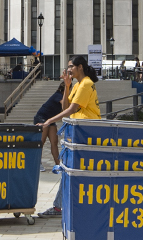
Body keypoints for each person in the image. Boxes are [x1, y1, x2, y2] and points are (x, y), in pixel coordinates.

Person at [35, 56, 101, 217]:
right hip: (78, 132)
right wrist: (67, 86)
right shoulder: (77, 85)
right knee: (72, 171)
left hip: (85, 133)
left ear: (80, 67)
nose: (68, 69)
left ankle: (60, 207)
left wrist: (49, 120)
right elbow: (64, 107)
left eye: (71, 66)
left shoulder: (86, 84)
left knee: (71, 170)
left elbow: (71, 110)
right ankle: (64, 207)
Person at [33, 79, 69, 166]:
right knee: (41, 141)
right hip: (41, 118)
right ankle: (37, 163)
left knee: (54, 142)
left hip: (50, 119)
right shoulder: (58, 95)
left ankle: (58, 164)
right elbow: (65, 107)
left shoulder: (63, 96)